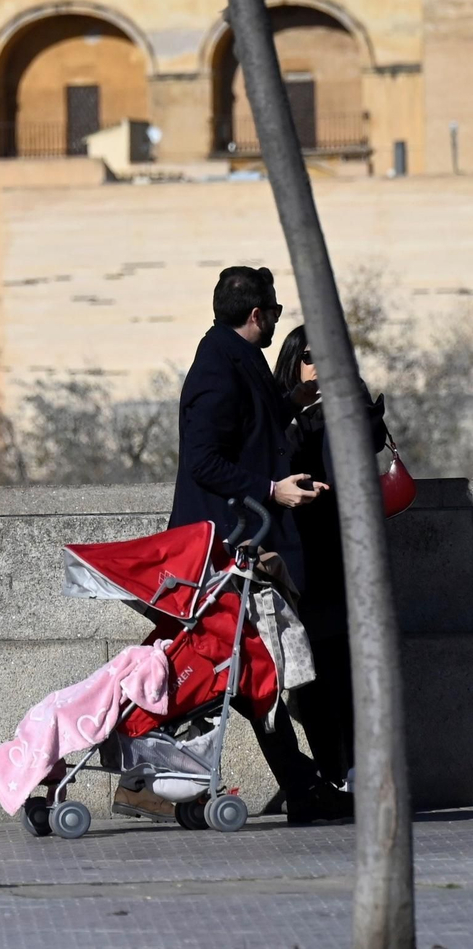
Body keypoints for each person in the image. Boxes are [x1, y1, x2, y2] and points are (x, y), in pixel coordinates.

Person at [168, 266, 351, 825]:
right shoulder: (218, 368)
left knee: (252, 671)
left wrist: (291, 397)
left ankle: (301, 787)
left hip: (243, 547)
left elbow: (249, 431)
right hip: (229, 549)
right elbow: (204, 459)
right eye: (272, 312)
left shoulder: (229, 357)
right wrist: (273, 489)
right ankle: (155, 778)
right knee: (248, 670)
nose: (275, 321)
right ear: (257, 315)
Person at [274, 325, 388, 790]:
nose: (318, 364)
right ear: (292, 365)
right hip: (300, 559)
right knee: (311, 677)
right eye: (308, 356)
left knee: (344, 668)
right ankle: (331, 772)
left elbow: (369, 439)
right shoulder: (284, 416)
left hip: (342, 559)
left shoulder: (350, 409)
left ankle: (353, 771)